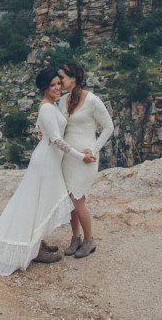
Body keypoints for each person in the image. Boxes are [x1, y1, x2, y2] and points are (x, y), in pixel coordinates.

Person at [0, 69, 90, 276]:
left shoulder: (51, 106)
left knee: (38, 202)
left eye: (59, 83)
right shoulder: (48, 108)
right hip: (46, 162)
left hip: (49, 159)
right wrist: (80, 156)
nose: (58, 88)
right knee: (40, 203)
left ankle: (36, 242)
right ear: (44, 88)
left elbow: (47, 130)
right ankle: (35, 247)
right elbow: (57, 140)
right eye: (53, 85)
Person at [57, 62, 114, 258]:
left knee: (78, 199)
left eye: (62, 77)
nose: (59, 81)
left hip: (85, 157)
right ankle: (75, 237)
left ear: (73, 78)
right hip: (67, 156)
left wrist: (95, 150)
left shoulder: (92, 100)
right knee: (69, 199)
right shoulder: (62, 100)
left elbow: (108, 127)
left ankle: (89, 240)